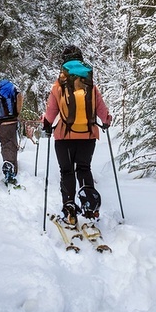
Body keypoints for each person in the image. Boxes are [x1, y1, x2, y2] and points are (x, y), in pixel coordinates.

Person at [42, 45, 112, 224]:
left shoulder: (59, 85)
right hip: (88, 137)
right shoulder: (90, 84)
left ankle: (69, 208)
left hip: (64, 138)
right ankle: (89, 207)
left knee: (66, 172)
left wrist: (48, 125)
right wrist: (106, 121)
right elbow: (102, 110)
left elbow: (51, 111)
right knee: (84, 169)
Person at [0, 78, 23, 185]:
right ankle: (13, 169)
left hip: (1, 122)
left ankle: (8, 166)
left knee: (5, 144)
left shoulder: (0, 91)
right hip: (12, 121)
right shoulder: (13, 90)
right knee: (12, 144)